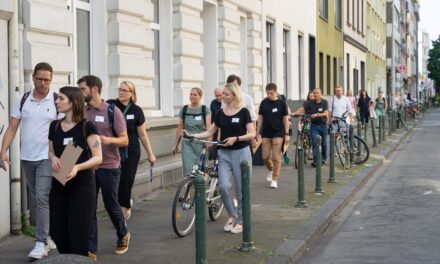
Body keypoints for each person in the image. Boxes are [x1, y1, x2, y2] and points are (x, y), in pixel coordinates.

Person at [0, 62, 58, 260]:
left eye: (47, 79)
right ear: (33, 77)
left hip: (47, 157)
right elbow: (12, 127)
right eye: (40, 78)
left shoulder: (57, 100)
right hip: (27, 157)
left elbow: (65, 129)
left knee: (41, 197)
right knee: (37, 197)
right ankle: (48, 235)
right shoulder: (23, 99)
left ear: (51, 79)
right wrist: (3, 151)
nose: (43, 83)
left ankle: (41, 242)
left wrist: (65, 160)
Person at [184, 83, 255, 234]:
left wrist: (236, 138)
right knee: (223, 187)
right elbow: (210, 131)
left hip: (241, 153)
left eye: (226, 94)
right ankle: (232, 215)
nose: (222, 96)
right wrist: (192, 135)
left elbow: (252, 134)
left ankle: (241, 221)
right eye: (222, 93)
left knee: (242, 190)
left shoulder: (243, 112)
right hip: (224, 154)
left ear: (234, 96)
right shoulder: (221, 113)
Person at [77, 75, 130, 259]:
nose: (80, 93)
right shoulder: (82, 111)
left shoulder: (111, 111)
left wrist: (107, 140)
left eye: (83, 89)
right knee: (89, 208)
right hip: (90, 167)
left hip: (109, 166)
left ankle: (123, 233)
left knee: (111, 205)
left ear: (94, 89)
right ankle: (91, 249)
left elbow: (125, 139)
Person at [48, 86, 102, 256]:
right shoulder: (54, 126)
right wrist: (53, 158)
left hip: (82, 188)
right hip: (59, 185)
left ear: (73, 102)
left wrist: (77, 167)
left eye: (61, 98)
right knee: (57, 232)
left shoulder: (87, 126)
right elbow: (50, 151)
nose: (57, 101)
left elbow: (98, 157)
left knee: (78, 235)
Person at [108, 81, 156, 221]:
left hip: (131, 151)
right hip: (113, 149)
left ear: (132, 94)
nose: (121, 92)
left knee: (126, 180)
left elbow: (142, 134)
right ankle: (124, 201)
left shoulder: (136, 110)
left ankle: (125, 208)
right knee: (114, 181)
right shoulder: (111, 105)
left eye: (125, 90)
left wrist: (150, 153)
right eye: (120, 89)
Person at [256, 83, 289, 188]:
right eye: (268, 93)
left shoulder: (281, 103)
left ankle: (275, 179)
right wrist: (257, 132)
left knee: (276, 157)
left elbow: (286, 119)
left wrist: (287, 134)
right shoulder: (264, 102)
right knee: (265, 157)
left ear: (276, 92)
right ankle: (271, 169)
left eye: (271, 93)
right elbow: (260, 117)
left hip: (278, 133)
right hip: (266, 133)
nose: (269, 95)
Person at [173, 87, 211, 177]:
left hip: (201, 143)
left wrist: (208, 141)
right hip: (187, 144)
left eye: (195, 94)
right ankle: (187, 190)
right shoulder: (185, 109)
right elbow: (180, 128)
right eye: (191, 94)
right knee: (188, 170)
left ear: (200, 96)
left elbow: (209, 128)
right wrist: (176, 145)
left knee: (201, 170)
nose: (192, 96)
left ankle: (202, 189)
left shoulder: (205, 109)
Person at [226, 75, 257, 149]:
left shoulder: (247, 98)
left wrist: (253, 138)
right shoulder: (225, 99)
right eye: (230, 85)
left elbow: (252, 118)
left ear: (239, 86)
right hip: (227, 136)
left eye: (235, 85)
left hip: (243, 136)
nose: (232, 88)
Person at [304, 88, 328, 167]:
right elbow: (302, 109)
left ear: (321, 94)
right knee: (314, 143)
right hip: (314, 126)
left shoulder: (324, 102)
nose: (315, 95)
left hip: (323, 125)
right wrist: (294, 113)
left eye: (317, 93)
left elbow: (326, 113)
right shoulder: (310, 103)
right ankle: (315, 160)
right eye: (314, 93)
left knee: (324, 143)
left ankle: (324, 158)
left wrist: (317, 115)